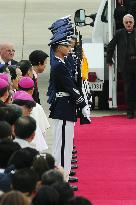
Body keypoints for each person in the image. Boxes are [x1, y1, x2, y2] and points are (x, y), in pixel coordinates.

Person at [48, 19, 90, 177]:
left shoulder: (61, 63)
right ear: (59, 47)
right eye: (66, 45)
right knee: (63, 144)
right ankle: (62, 177)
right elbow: (70, 86)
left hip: (65, 106)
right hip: (64, 106)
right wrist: (82, 102)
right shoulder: (59, 65)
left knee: (63, 143)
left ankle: (61, 174)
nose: (69, 47)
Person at [106, 14, 136, 118]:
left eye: (130, 22)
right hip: (126, 64)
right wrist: (109, 59)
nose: (128, 24)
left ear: (133, 23)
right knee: (128, 88)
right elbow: (111, 46)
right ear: (123, 23)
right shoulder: (119, 33)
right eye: (126, 22)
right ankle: (130, 111)